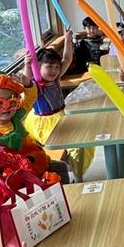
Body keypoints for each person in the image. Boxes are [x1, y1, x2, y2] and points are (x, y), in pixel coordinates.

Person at [0, 74, 70, 184]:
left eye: (12, 102)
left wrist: (28, 84)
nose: (6, 107)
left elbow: (30, 97)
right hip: (25, 176)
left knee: (61, 167)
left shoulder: (17, 115)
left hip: (42, 161)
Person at [23, 36, 90, 180]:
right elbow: (25, 82)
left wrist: (67, 40)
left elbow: (67, 59)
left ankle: (77, 175)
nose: (54, 70)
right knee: (74, 146)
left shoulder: (56, 79)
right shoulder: (36, 84)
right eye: (49, 66)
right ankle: (75, 174)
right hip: (44, 123)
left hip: (61, 117)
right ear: (38, 66)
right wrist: (27, 66)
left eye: (56, 67)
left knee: (83, 143)